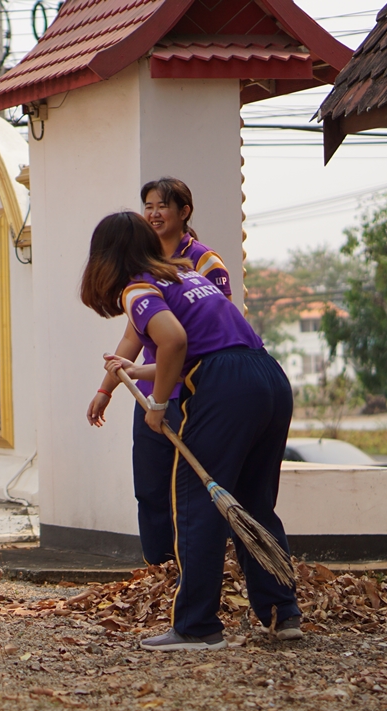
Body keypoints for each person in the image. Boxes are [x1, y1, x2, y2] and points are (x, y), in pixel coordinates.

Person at [81, 211, 301, 650]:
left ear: (105, 257)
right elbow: (191, 348)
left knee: (197, 502)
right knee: (254, 501)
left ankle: (197, 626)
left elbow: (175, 341)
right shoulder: (185, 275)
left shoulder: (139, 287)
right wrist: (135, 371)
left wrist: (158, 405)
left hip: (224, 387)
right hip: (267, 377)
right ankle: (282, 612)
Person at [86, 178, 230, 565]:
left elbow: (199, 333)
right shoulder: (141, 271)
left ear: (184, 212)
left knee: (190, 489)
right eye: (147, 206)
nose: (153, 213)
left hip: (193, 389)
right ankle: (160, 569)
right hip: (155, 386)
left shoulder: (200, 263)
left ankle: (194, 573)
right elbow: (134, 335)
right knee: (150, 486)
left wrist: (161, 395)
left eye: (162, 206)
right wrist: (107, 389)